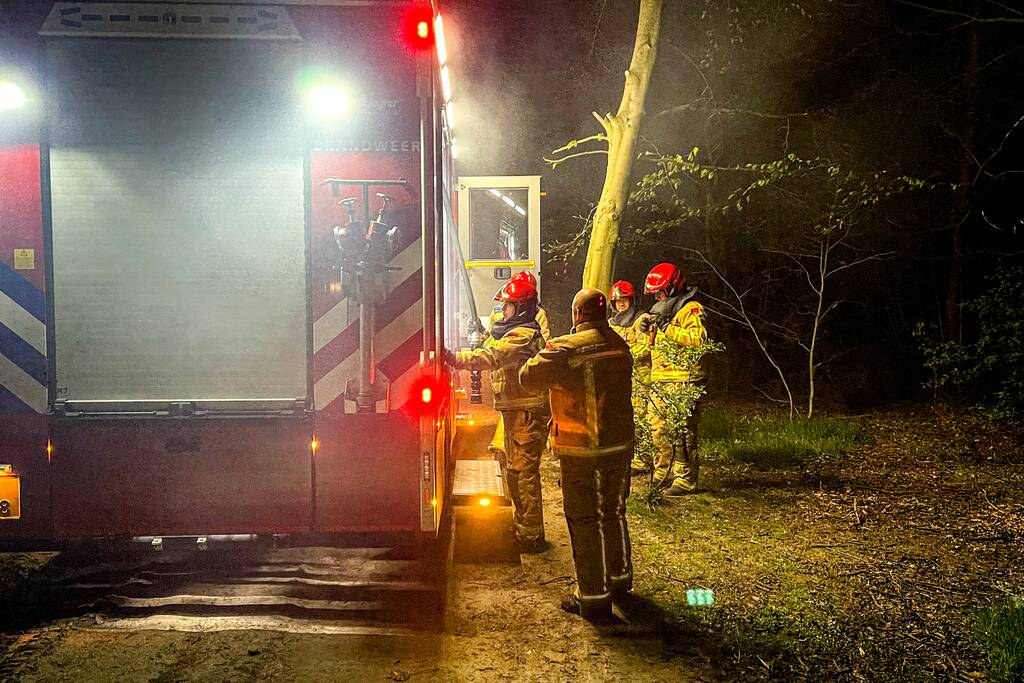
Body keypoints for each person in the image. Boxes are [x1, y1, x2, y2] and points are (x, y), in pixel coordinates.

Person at [520, 288, 634, 622]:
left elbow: (528, 377)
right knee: (614, 512)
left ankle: (593, 599)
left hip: (581, 448)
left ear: (577, 315)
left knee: (585, 520)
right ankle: (620, 581)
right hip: (620, 446)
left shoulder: (565, 348)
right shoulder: (619, 345)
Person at [450, 279, 550, 553]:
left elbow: (494, 355)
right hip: (517, 411)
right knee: (516, 472)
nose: (502, 310)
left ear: (520, 308)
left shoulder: (523, 336)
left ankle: (531, 537)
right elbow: (494, 345)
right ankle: (525, 528)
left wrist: (456, 358)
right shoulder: (515, 332)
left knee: (524, 474)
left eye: (506, 305)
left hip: (526, 413)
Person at [638, 262, 708, 496]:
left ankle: (685, 479)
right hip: (661, 379)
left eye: (660, 292)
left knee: (683, 433)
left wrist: (668, 328)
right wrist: (646, 330)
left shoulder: (691, 309)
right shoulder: (659, 311)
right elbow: (650, 347)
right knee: (657, 429)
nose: (657, 297)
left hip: (685, 379)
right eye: (655, 294)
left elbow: (699, 340)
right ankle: (661, 474)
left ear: (673, 287)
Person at [487, 271, 551, 459]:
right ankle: (504, 446)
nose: (504, 310)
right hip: (507, 386)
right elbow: (493, 339)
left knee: (523, 462)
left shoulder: (531, 323)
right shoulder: (503, 311)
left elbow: (541, 342)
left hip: (521, 388)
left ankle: (502, 445)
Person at [608, 280, 653, 476]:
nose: (621, 305)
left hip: (639, 378)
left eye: (624, 301)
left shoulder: (641, 319)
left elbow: (645, 348)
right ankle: (623, 456)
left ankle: (642, 461)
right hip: (617, 380)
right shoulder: (611, 323)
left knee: (640, 418)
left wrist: (623, 358)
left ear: (632, 300)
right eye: (618, 302)